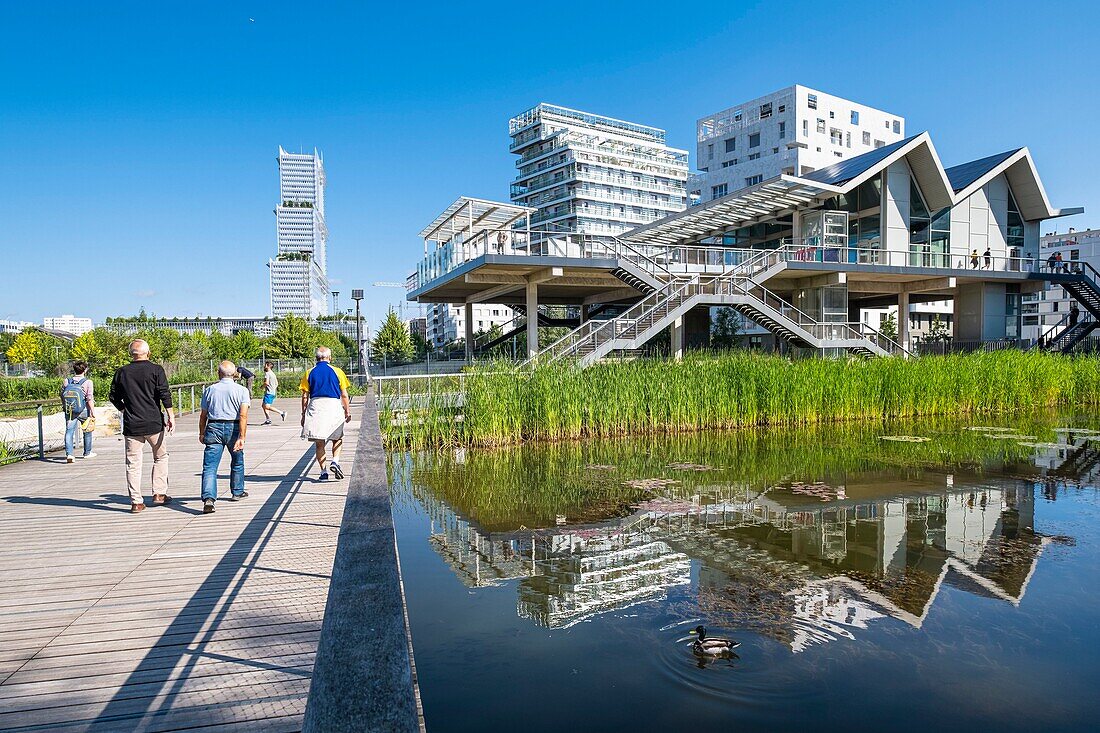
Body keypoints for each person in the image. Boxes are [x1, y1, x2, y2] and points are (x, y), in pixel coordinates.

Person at [108, 339, 174, 513]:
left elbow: (113, 396)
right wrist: (171, 416)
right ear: (148, 353)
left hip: (132, 424)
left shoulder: (122, 372)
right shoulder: (156, 370)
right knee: (160, 457)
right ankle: (159, 493)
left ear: (131, 354)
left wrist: (124, 409)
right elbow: (164, 393)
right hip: (154, 422)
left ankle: (136, 502)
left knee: (133, 463)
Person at [199, 361, 250, 514]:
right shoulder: (242, 390)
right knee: (237, 461)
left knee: (210, 467)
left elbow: (203, 415)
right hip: (234, 427)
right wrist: (242, 436)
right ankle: (237, 491)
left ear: (218, 373)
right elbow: (243, 415)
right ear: (234, 373)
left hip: (213, 427)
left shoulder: (209, 390)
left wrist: (201, 432)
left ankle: (209, 498)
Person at [300, 346, 352, 481]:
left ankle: (323, 472)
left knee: (319, 442)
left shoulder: (309, 372)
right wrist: (347, 411)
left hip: (316, 406)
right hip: (333, 406)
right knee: (337, 438)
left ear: (316, 358)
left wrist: (303, 414)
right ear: (330, 357)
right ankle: (335, 461)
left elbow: (305, 396)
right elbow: (344, 395)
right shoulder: (338, 371)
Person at [61, 360, 96, 463]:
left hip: (70, 409)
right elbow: (89, 398)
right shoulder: (88, 382)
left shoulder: (67, 381)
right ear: (85, 370)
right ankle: (87, 453)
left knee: (69, 431)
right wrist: (92, 411)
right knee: (87, 431)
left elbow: (62, 394)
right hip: (84, 409)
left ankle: (70, 454)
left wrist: (65, 405)